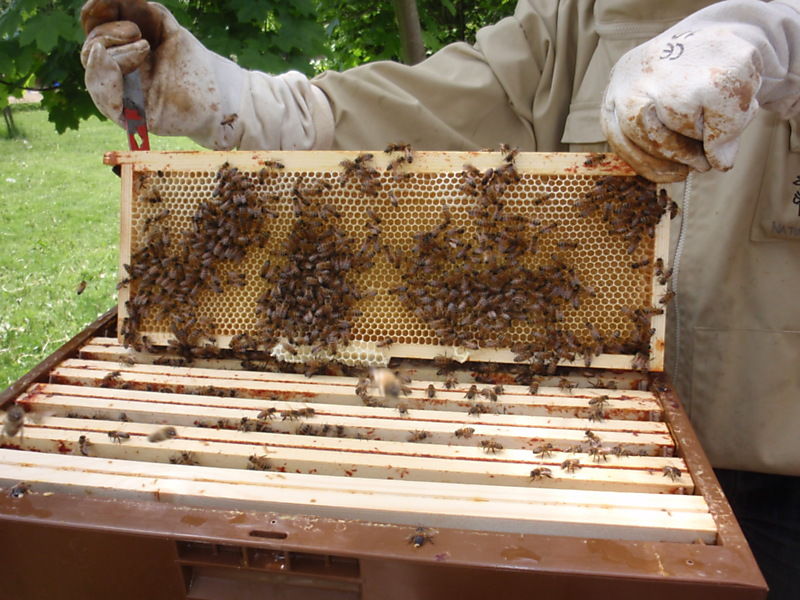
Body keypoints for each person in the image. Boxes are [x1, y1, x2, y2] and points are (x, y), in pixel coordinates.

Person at [79, 1, 800, 597]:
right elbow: (421, 106)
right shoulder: (578, 14)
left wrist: (778, 42)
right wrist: (232, 98)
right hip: (582, 455)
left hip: (778, 487)